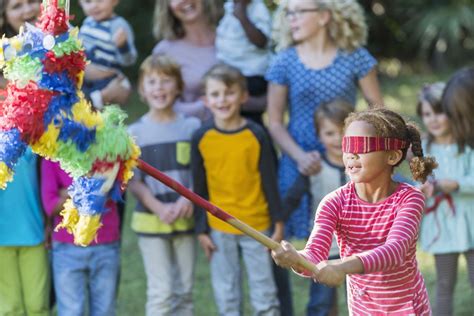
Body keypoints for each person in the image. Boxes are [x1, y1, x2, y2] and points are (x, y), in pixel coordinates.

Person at [272, 108, 437, 315]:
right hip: (363, 309)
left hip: (407, 309)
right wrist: (296, 259)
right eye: (347, 145)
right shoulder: (334, 202)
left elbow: (395, 251)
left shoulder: (409, 198)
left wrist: (341, 266)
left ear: (392, 156)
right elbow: (314, 254)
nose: (351, 154)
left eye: (362, 146)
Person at [266, 0, 383, 240]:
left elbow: (379, 110)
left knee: (354, 230)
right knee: (296, 233)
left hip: (346, 154)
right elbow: (275, 121)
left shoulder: (355, 57)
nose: (292, 19)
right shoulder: (283, 61)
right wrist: (300, 157)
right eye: (289, 13)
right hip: (300, 157)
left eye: (299, 12)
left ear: (324, 16)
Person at [192, 64, 283, 315]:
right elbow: (197, 188)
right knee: (227, 295)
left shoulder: (256, 134)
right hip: (219, 227)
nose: (222, 100)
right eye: (215, 94)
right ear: (206, 100)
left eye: (229, 93)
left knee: (264, 294)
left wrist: (278, 222)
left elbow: (270, 181)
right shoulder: (201, 136)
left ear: (243, 96)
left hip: (257, 225)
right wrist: (201, 229)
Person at [128, 54, 201, 316]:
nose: (159, 88)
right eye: (152, 82)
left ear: (179, 86)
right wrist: (156, 206)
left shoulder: (192, 127)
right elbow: (132, 181)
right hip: (151, 220)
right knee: (161, 292)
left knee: (184, 292)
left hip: (185, 219)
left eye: (166, 81)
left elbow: (198, 173)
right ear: (142, 90)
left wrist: (187, 198)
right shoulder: (134, 133)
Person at [283, 100, 352, 316]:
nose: (338, 139)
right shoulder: (315, 167)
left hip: (358, 249)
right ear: (319, 135)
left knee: (360, 300)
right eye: (330, 133)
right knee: (320, 304)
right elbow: (292, 198)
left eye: (343, 132)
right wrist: (277, 220)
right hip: (324, 248)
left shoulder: (363, 165)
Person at [418, 73, 474, 315]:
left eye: (439, 112)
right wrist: (424, 187)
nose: (434, 120)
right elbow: (419, 181)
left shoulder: (467, 146)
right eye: (427, 114)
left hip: (470, 223)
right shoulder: (424, 150)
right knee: (443, 285)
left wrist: (457, 184)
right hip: (443, 227)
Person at [41, 159, 121, 315]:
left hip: (105, 243)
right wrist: (95, 189)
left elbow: (117, 192)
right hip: (67, 248)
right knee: (71, 311)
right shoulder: (52, 153)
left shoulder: (110, 147)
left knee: (105, 311)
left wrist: (68, 193)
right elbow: (50, 204)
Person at [152, 0, 223, 121]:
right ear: (168, 7)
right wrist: (209, 104)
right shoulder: (165, 51)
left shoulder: (231, 38)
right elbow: (160, 104)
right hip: (190, 134)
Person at [0, 149, 50, 316]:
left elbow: (46, 177)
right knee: (9, 309)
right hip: (2, 239)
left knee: (38, 306)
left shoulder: (29, 134)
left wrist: (48, 222)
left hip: (33, 232)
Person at [215, 0, 271, 125]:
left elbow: (261, 41)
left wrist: (242, 17)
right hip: (228, 71)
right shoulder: (228, 6)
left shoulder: (258, 8)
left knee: (249, 119)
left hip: (250, 74)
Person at [78, 0, 137, 109]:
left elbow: (129, 60)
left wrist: (122, 46)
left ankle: (97, 101)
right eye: (88, 1)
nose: (94, 6)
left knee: (103, 116)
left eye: (100, 0)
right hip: (85, 80)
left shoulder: (119, 25)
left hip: (106, 81)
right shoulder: (87, 22)